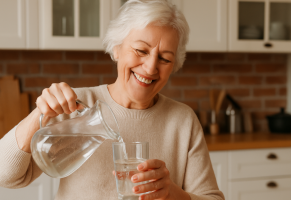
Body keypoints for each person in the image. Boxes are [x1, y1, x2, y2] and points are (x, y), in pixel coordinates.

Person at [0, 0, 225, 200]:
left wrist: (176, 196)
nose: (150, 67)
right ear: (117, 48)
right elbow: (6, 177)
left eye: (165, 58)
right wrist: (39, 114)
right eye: (140, 50)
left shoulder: (183, 120)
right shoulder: (75, 104)